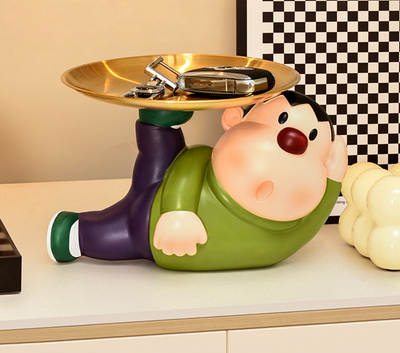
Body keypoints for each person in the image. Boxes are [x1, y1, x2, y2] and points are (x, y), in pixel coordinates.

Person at [48, 91, 347, 271]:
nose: (294, 139)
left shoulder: (286, 236)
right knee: (159, 154)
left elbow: (310, 224)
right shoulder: (202, 162)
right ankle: (159, 123)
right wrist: (178, 211)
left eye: (312, 137)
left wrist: (334, 180)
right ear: (234, 120)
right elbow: (190, 164)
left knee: (116, 232)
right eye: (282, 120)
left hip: (145, 234)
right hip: (158, 196)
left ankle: (76, 233)